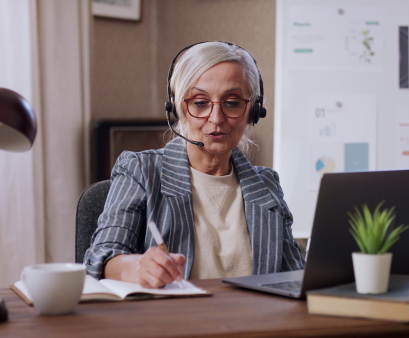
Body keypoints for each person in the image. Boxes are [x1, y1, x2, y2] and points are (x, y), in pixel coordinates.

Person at [84, 42, 306, 288]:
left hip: (254, 323)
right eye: (200, 103)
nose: (216, 118)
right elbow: (100, 257)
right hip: (172, 322)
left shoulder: (265, 185)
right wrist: (135, 267)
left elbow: (295, 277)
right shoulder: (140, 171)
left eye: (232, 103)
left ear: (253, 110)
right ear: (179, 108)